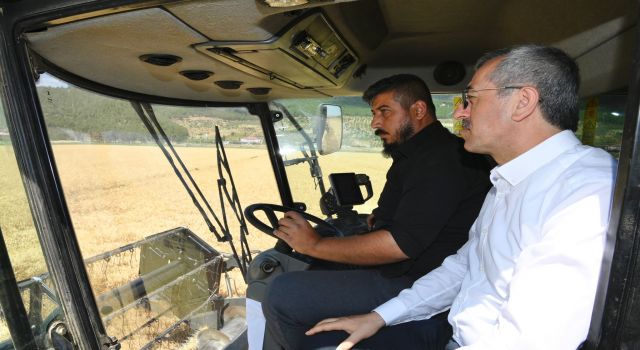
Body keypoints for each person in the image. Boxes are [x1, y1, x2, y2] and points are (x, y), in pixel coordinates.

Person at [303, 44, 618, 350]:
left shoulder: (584, 191)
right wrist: (379, 317)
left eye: (471, 99)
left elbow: (536, 340)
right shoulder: (508, 182)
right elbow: (465, 267)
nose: (460, 112)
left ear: (522, 102)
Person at [262, 74, 493, 349]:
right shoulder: (416, 155)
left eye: (385, 112)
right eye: (373, 113)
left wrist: (314, 244)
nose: (375, 122)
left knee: (282, 293)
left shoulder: (439, 161)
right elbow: (415, 214)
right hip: (412, 269)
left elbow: (400, 244)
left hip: (414, 278)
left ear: (418, 110)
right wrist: (379, 219)